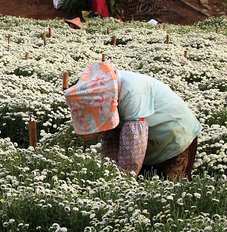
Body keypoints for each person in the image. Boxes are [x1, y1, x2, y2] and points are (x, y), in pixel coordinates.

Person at [64, 61, 202, 180]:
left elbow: (133, 150)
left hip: (175, 137)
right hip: (151, 142)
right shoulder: (106, 91)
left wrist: (122, 180)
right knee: (146, 189)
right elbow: (111, 135)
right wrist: (109, 170)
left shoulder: (131, 92)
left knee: (169, 193)